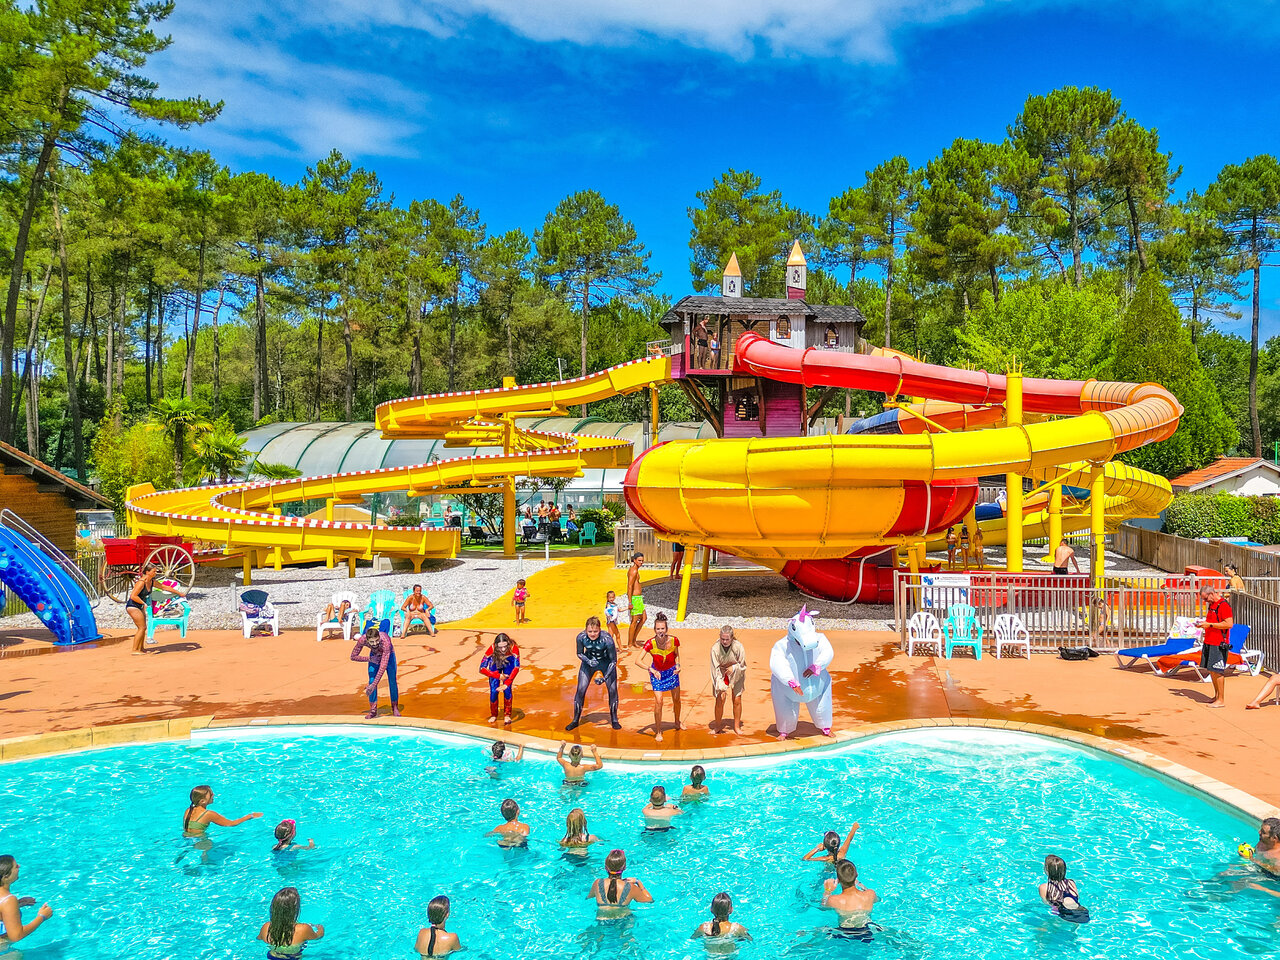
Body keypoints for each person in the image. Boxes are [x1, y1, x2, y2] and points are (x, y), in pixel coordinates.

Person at [567, 616, 621, 731]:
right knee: (581, 689)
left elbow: (613, 661)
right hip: (589, 662)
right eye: (590, 631)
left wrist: (605, 678)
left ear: (600, 630)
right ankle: (575, 720)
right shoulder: (581, 637)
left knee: (612, 690)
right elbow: (580, 653)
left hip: (606, 662)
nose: (592, 634)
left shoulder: (607, 640)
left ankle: (614, 719)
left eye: (595, 631)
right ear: (586, 630)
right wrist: (588, 661)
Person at [639, 613, 682, 741]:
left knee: (677, 699)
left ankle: (677, 721)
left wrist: (678, 666)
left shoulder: (674, 640)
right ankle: (658, 731)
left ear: (666, 629)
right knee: (659, 701)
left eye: (662, 628)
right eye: (658, 629)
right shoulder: (650, 643)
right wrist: (650, 669)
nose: (660, 631)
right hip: (657, 673)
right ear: (654, 630)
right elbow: (638, 660)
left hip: (671, 672)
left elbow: (677, 655)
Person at [1194, 583, 1234, 708]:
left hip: (1219, 643)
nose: (1205, 601)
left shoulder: (1223, 606)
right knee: (1211, 670)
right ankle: (1217, 696)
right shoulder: (1212, 605)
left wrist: (1210, 625)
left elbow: (1228, 624)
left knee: (1218, 670)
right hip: (1209, 641)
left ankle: (1221, 699)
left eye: (1206, 598)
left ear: (1212, 594)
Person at [257, 886, 325, 959]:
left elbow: (259, 938)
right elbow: (317, 937)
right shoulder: (303, 929)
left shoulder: (266, 927)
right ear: (295, 910)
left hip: (272, 956)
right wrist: (321, 929)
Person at [351, 618, 400, 718]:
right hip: (374, 656)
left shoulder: (385, 641)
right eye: (372, 642)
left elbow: (383, 666)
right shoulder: (362, 640)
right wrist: (369, 659)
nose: (375, 644)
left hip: (388, 656)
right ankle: (373, 709)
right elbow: (353, 656)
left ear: (379, 637)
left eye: (377, 641)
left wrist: (373, 685)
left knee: (392, 680)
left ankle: (395, 706)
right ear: (367, 640)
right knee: (371, 679)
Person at [0, 855, 52, 948]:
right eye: (16, 866)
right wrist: (42, 916)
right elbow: (16, 936)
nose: (19, 866)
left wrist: (18, 904)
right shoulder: (8, 900)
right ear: (6, 876)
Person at [588, 849, 653, 917]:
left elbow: (589, 897)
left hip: (602, 921)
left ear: (605, 867)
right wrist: (638, 882)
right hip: (623, 921)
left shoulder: (597, 883)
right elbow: (649, 900)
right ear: (624, 867)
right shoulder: (631, 887)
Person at [823, 858, 878, 934]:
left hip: (844, 933)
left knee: (817, 931)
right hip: (867, 931)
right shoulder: (870, 894)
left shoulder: (833, 900)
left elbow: (823, 907)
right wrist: (860, 884)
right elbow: (878, 900)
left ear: (838, 880)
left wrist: (827, 891)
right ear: (857, 875)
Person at [182, 784, 262, 835]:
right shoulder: (208, 814)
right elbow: (231, 823)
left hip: (186, 837)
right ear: (203, 801)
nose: (213, 795)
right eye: (211, 794)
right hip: (200, 841)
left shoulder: (188, 810)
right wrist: (250, 816)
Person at [710, 626, 747, 735]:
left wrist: (734, 668)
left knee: (737, 699)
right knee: (720, 698)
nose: (725, 641)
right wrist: (720, 686)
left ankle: (736, 726)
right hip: (720, 672)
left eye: (727, 639)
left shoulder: (738, 647)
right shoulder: (715, 648)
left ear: (732, 638)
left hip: (737, 671)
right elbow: (714, 669)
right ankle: (717, 726)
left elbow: (743, 665)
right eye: (722, 639)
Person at [479, 632, 520, 725]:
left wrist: (507, 683)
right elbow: (482, 668)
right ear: (496, 645)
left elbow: (516, 667)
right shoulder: (492, 649)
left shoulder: (514, 648)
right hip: (495, 663)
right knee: (494, 691)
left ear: (508, 643)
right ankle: (494, 714)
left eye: (505, 646)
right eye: (500, 647)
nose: (503, 649)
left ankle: (507, 715)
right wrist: (497, 676)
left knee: (507, 690)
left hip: (508, 663)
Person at [1038, 855, 1089, 922]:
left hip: (1063, 916)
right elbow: (1077, 897)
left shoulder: (1043, 887)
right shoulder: (1071, 883)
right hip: (1082, 913)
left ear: (1047, 870)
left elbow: (1046, 903)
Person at [125, 563, 161, 654]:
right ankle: (134, 650)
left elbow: (164, 587)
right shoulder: (141, 582)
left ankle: (141, 648)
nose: (156, 573)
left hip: (140, 606)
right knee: (142, 627)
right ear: (147, 572)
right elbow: (133, 596)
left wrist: (179, 593)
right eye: (154, 571)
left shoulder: (152, 581)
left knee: (143, 628)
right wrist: (143, 603)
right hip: (133, 606)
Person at [627, 552, 647, 648]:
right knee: (634, 621)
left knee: (643, 618)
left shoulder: (636, 570)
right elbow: (629, 586)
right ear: (634, 560)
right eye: (639, 560)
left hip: (638, 598)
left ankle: (634, 640)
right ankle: (630, 643)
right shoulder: (633, 571)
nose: (641, 562)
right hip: (635, 599)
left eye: (642, 560)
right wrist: (630, 601)